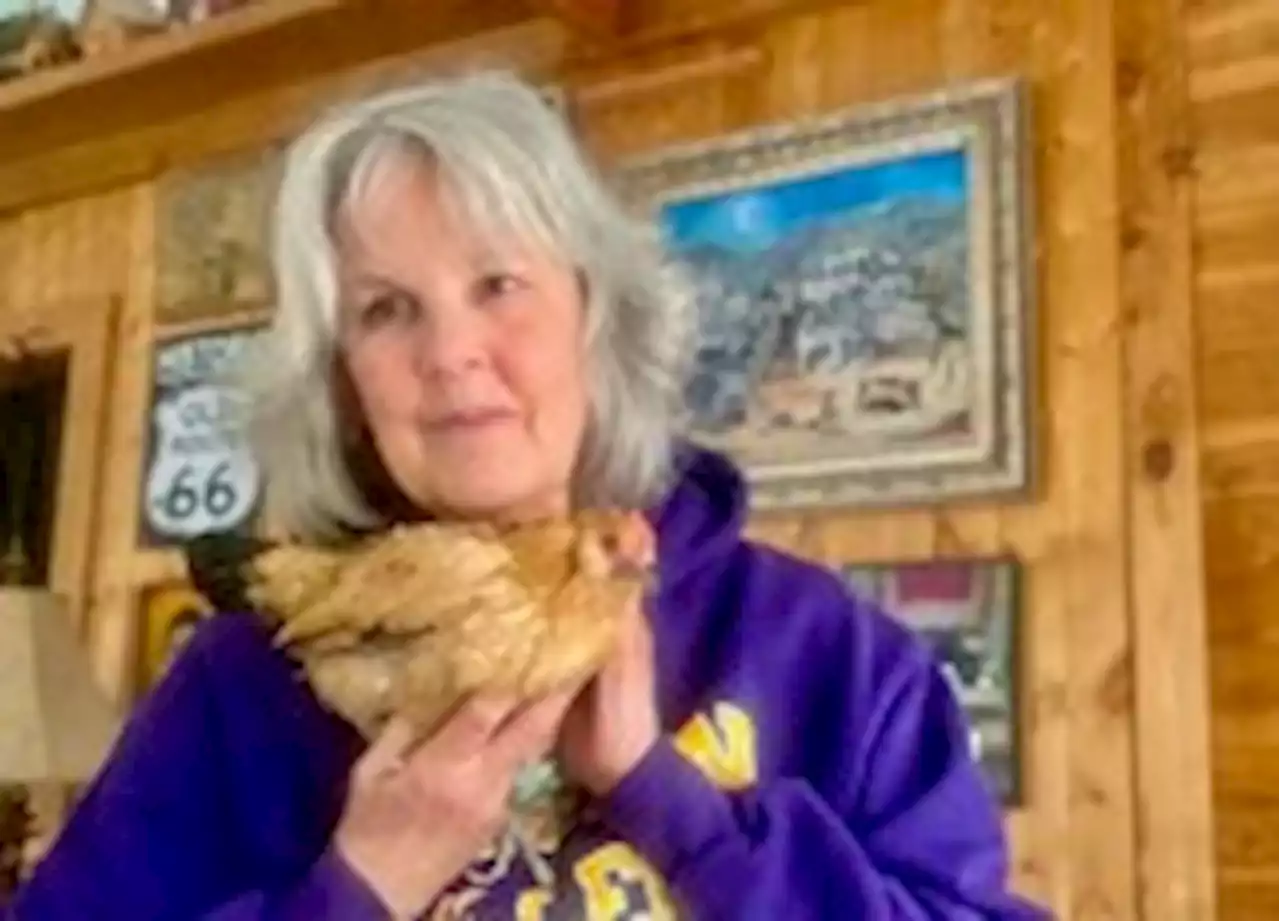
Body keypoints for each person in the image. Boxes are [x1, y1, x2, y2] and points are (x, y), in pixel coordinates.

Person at [6, 71, 1051, 921]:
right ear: (341, 380)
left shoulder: (829, 656)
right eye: (383, 311)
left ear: (598, 320)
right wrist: (357, 888)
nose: (451, 352)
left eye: (497, 285)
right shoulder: (243, 686)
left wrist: (667, 801)